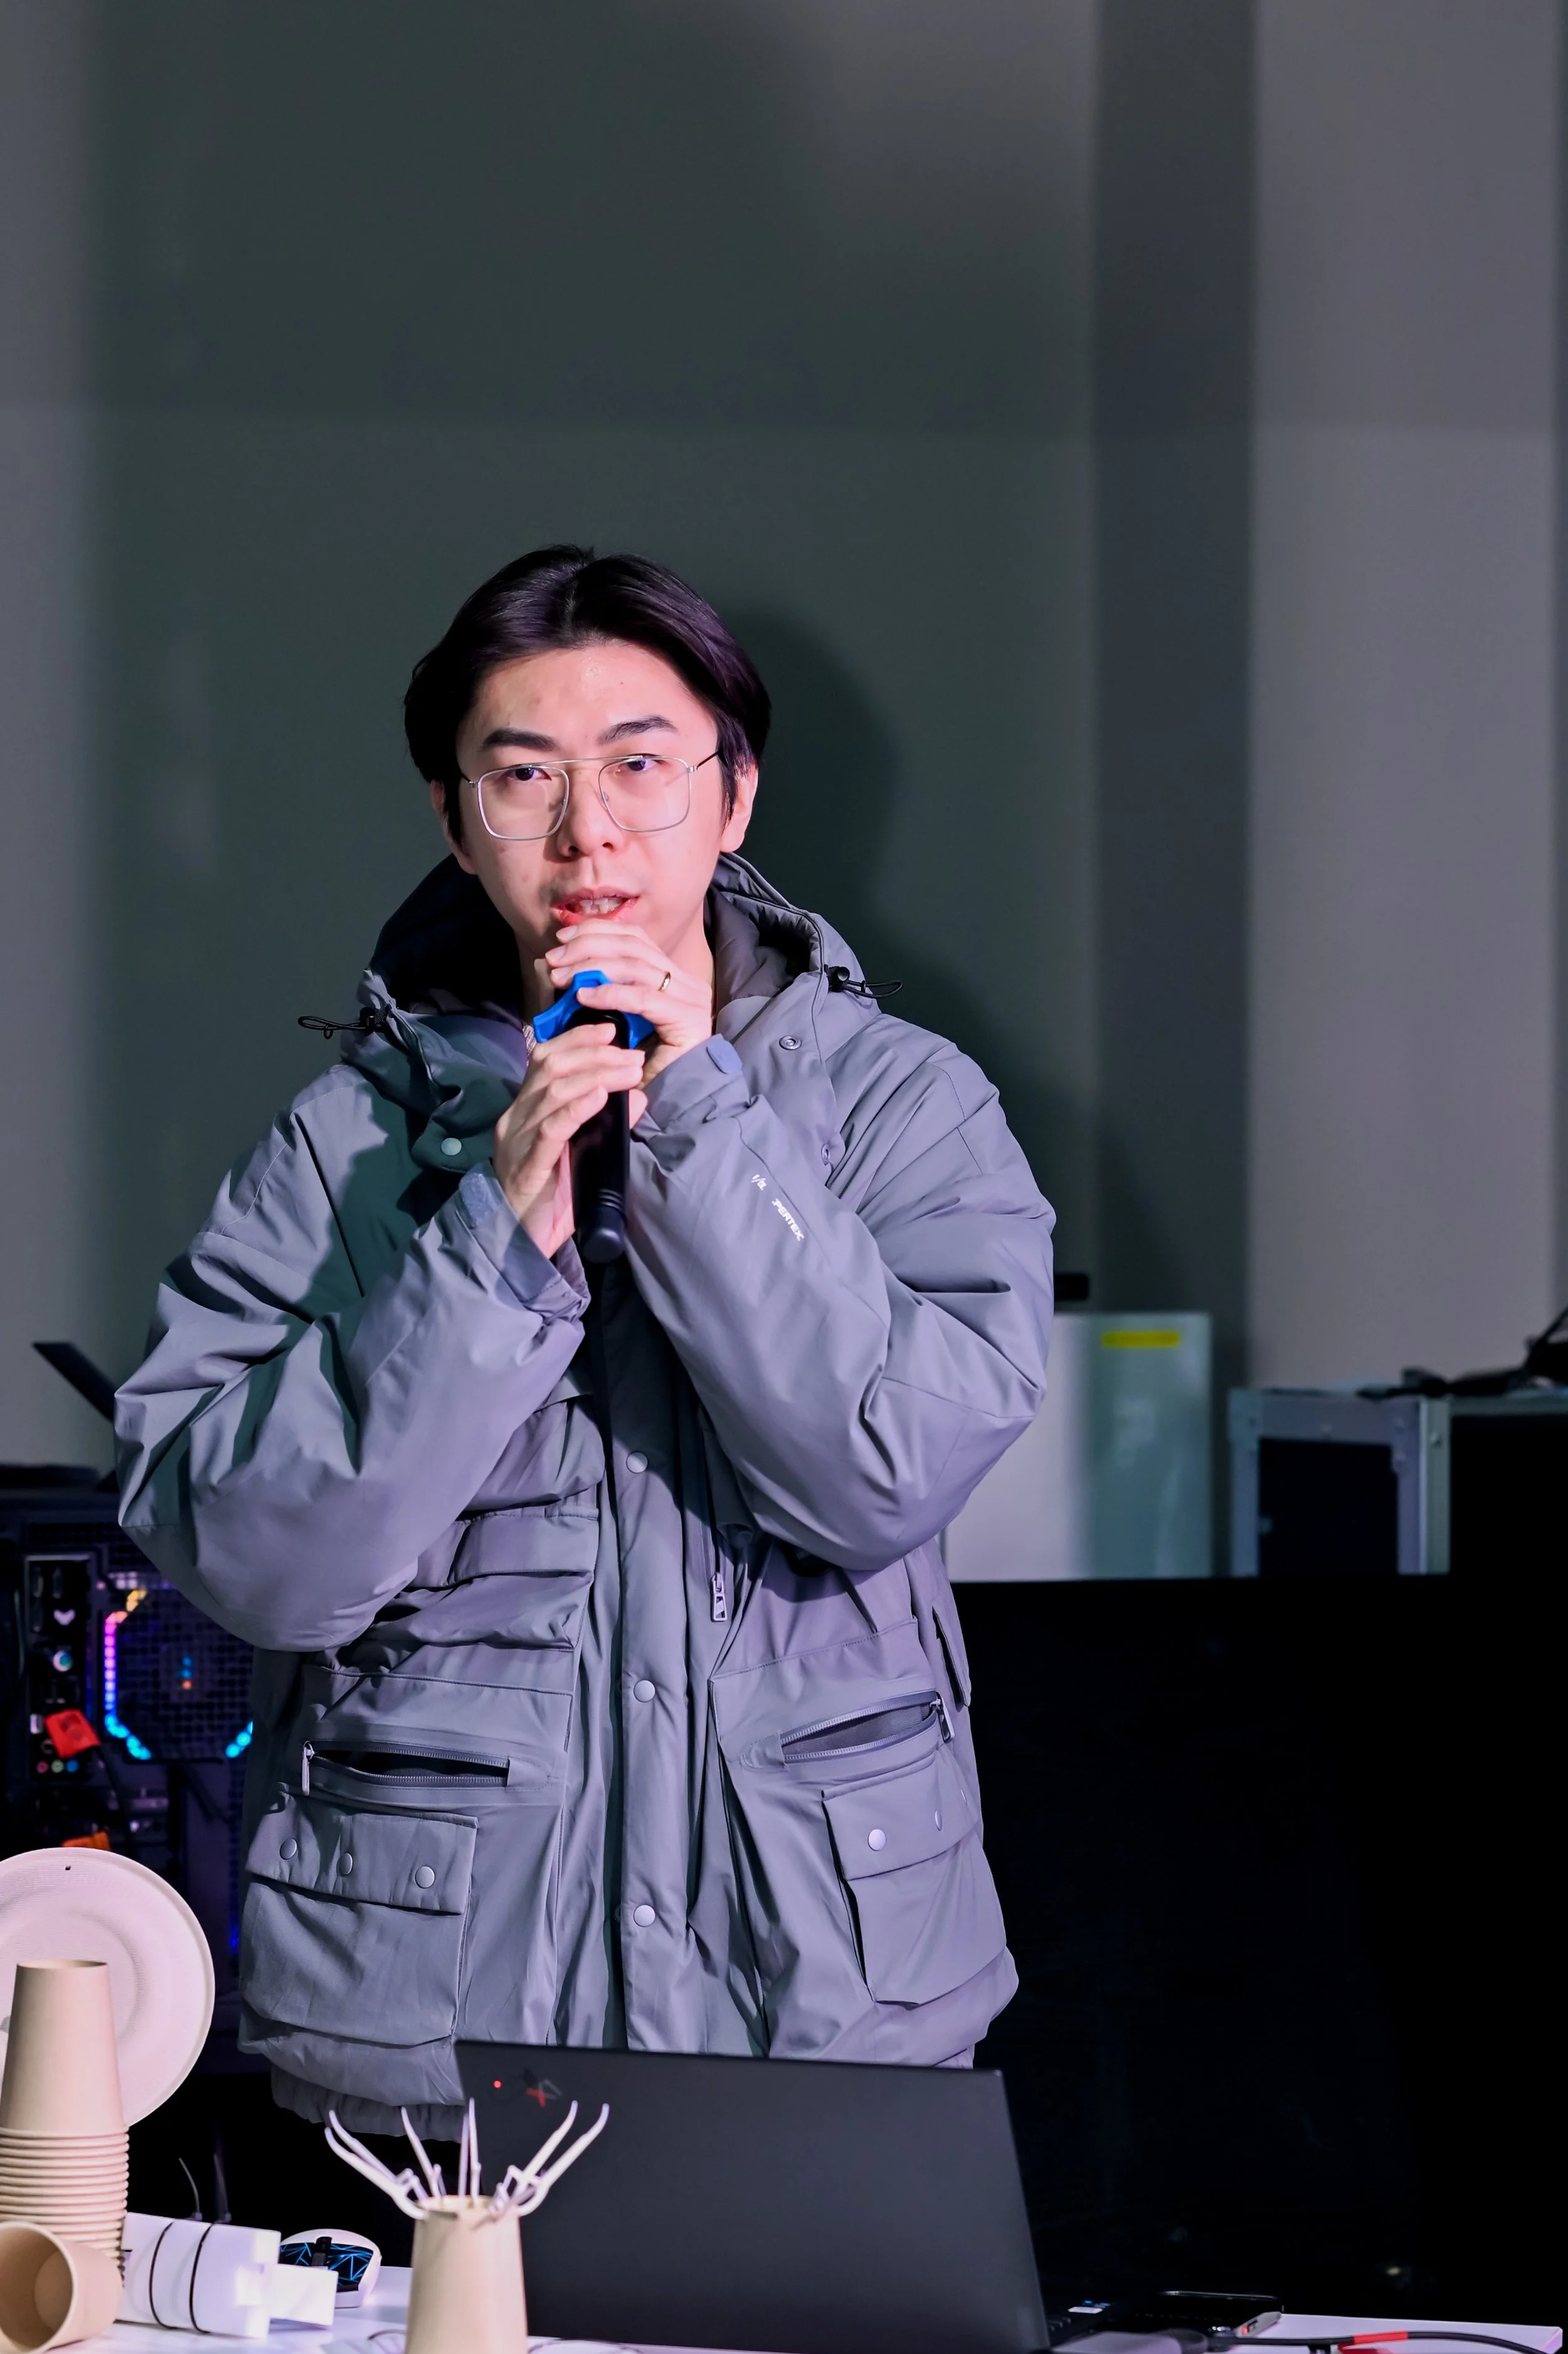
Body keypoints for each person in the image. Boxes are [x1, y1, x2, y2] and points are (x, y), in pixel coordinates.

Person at [115, 546, 1055, 2136]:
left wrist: (698, 1125)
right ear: (450, 815)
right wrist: (492, 1236)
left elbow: (879, 1472)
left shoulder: (906, 1107)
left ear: (735, 796)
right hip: (432, 2041)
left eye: (639, 767)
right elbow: (253, 1559)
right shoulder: (345, 1144)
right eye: (522, 777)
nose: (587, 833)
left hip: (821, 2007)